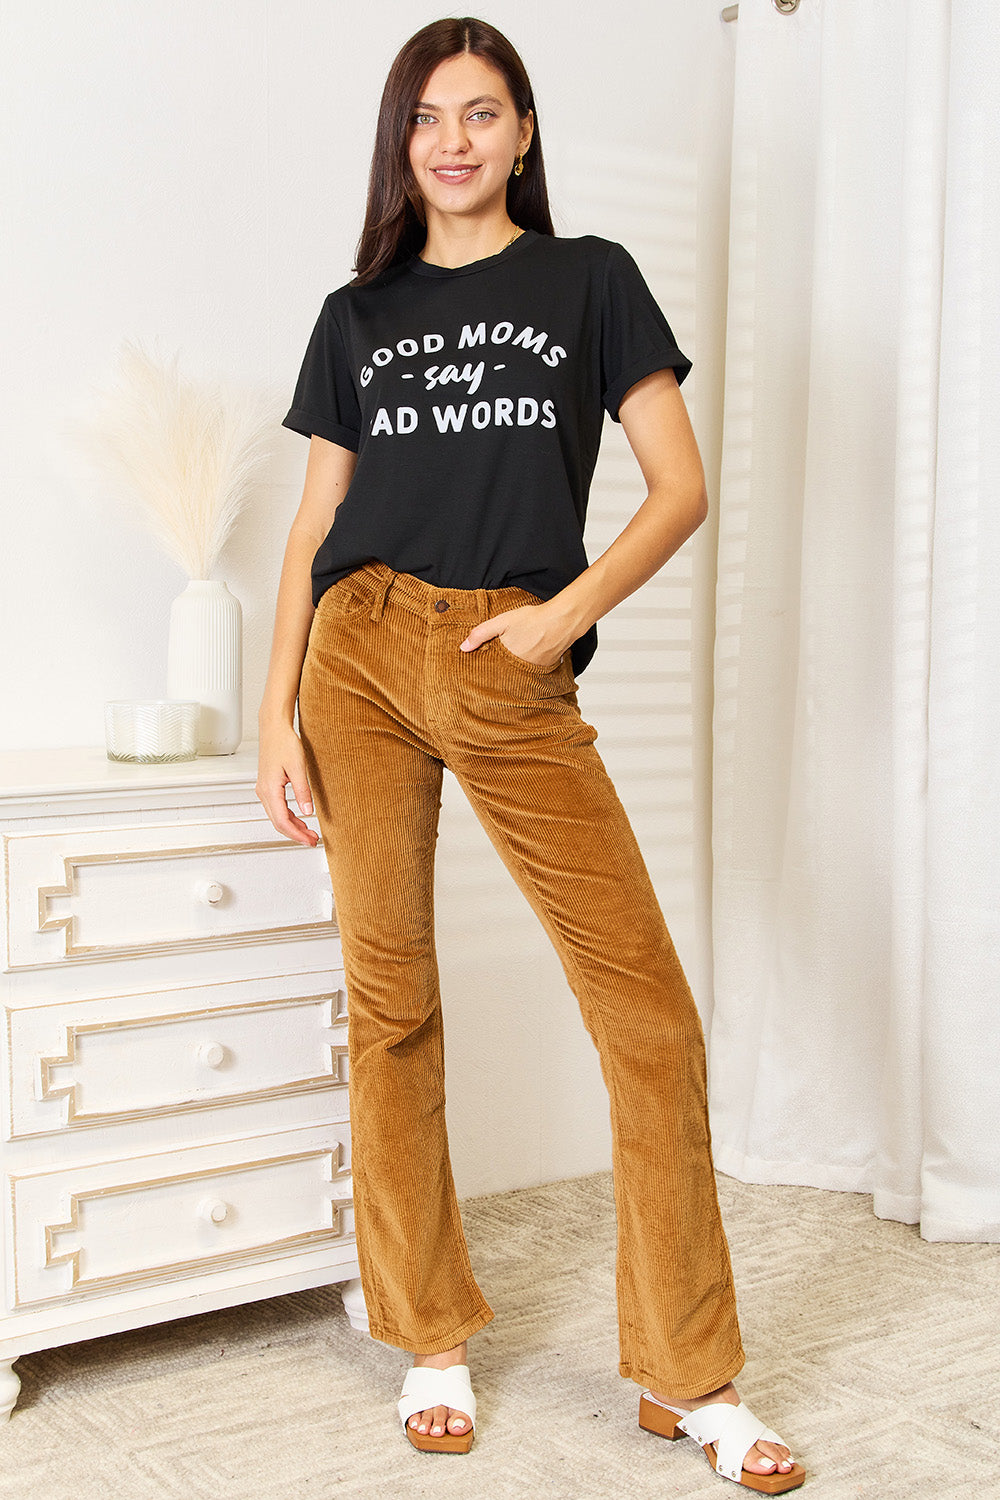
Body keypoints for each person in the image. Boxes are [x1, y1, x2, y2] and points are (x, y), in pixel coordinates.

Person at [256, 16, 804, 1493]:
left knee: (648, 1019)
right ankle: (428, 1334)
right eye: (429, 117)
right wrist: (275, 716)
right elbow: (312, 531)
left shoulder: (590, 280)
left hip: (511, 655)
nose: (455, 139)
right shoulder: (355, 312)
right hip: (356, 657)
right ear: (403, 140)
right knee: (392, 1005)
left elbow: (676, 486)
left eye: (482, 113)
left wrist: (563, 616)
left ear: (523, 132)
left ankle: (690, 1379)